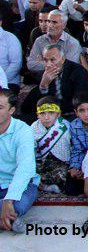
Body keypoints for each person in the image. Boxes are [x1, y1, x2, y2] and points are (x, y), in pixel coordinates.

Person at [0, 88, 39, 233]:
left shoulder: (23, 131)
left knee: (19, 205)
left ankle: (7, 214)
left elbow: (25, 168)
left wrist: (9, 199)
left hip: (20, 184)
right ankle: (8, 219)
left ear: (11, 110)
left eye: (0, 107)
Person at [20, 43, 88, 123]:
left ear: (63, 59)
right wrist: (43, 85)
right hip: (48, 111)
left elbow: (80, 100)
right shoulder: (44, 73)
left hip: (69, 112)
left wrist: (55, 111)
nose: (48, 64)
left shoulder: (78, 71)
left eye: (52, 60)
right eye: (45, 60)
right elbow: (27, 106)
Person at [32, 95, 70, 194]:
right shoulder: (33, 128)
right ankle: (42, 184)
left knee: (64, 174)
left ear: (58, 114)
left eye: (51, 113)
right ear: (37, 115)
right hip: (40, 163)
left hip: (60, 164)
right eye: (42, 113)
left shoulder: (65, 126)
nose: (46, 117)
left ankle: (42, 185)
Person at [26, 9, 83, 76]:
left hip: (65, 80)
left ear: (64, 25)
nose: (50, 25)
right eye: (48, 21)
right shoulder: (39, 40)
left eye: (54, 22)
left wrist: (43, 62)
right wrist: (57, 63)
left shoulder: (72, 43)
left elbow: (68, 68)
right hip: (42, 78)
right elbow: (30, 65)